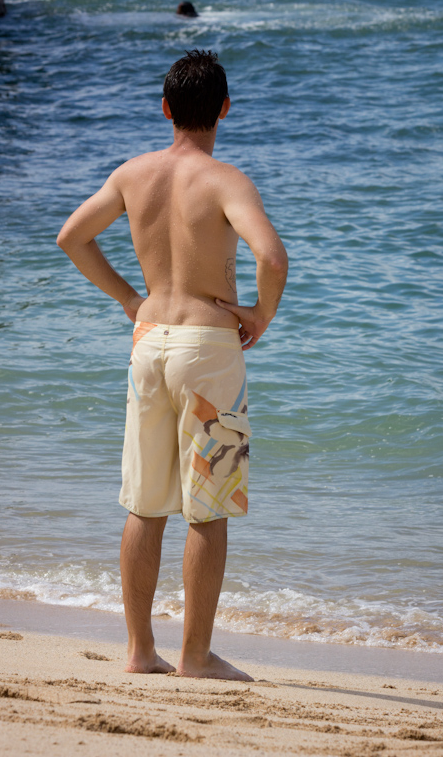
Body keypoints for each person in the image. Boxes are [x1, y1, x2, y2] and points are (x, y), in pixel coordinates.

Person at [57, 50, 288, 682]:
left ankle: (138, 651)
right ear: (224, 109)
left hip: (149, 342)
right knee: (206, 507)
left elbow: (72, 236)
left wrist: (131, 299)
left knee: (144, 504)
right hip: (208, 353)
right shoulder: (225, 180)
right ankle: (195, 656)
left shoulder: (133, 175)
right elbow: (271, 256)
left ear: (164, 109)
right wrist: (258, 316)